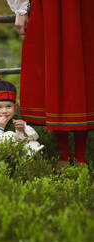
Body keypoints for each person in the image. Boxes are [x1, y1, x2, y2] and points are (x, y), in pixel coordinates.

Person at [6, 0, 94, 167]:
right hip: (48, 7)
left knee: (82, 72)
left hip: (85, 7)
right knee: (50, 70)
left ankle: (81, 157)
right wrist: (21, 10)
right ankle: (63, 155)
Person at [0, 78, 44, 155]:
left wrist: (23, 129)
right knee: (9, 136)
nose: (4, 111)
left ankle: (32, 157)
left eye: (8, 106)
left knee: (33, 144)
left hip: (17, 150)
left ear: (14, 107)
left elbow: (34, 137)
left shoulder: (16, 118)